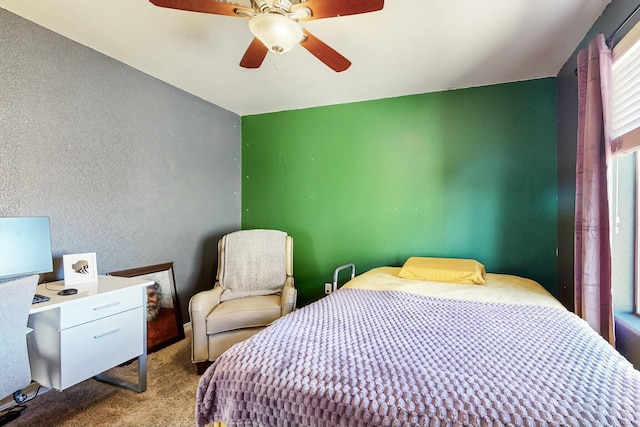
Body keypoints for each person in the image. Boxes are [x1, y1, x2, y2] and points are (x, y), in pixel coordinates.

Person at [146, 282, 179, 351]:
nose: (147, 301)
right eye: (142, 296)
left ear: (159, 297)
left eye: (151, 295)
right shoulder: (134, 325)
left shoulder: (172, 316)